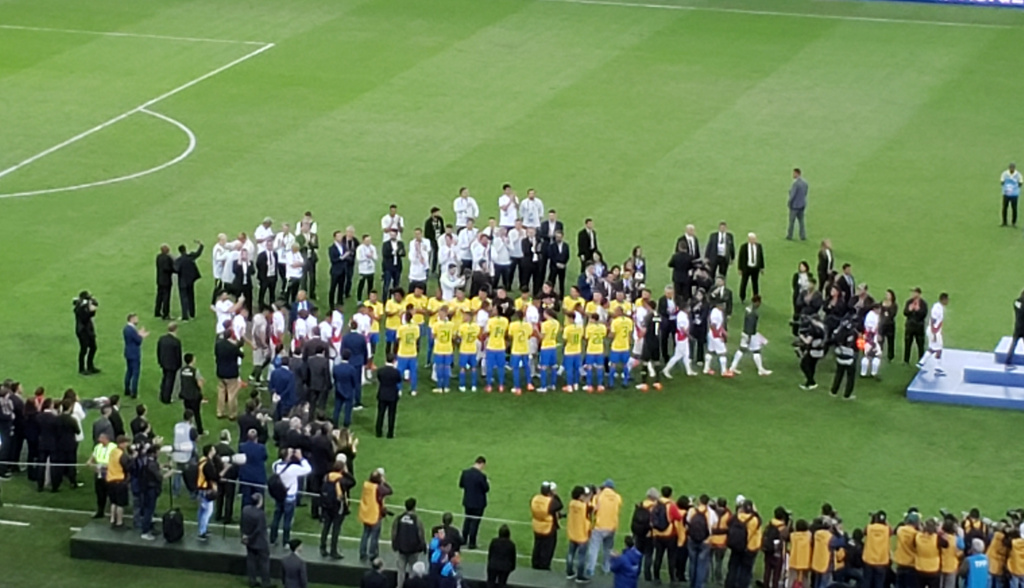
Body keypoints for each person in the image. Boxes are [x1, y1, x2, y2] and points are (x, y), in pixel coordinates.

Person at [269, 447, 313, 547]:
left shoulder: (275, 465)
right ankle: (285, 541)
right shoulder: (293, 468)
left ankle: (272, 539)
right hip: (289, 497)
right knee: (287, 521)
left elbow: (281, 461)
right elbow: (308, 469)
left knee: (276, 517)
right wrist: (301, 458)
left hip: (279, 495)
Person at [320, 455, 355, 559]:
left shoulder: (326, 477)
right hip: (338, 507)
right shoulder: (342, 480)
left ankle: (322, 547)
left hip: (326, 505)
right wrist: (346, 472)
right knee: (336, 529)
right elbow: (353, 482)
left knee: (326, 527)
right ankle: (333, 551)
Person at [587, 479, 623, 577]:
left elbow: (593, 508)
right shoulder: (617, 497)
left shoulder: (598, 496)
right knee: (608, 549)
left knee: (594, 549)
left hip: (599, 526)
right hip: (612, 527)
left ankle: (590, 569)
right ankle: (606, 568)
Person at [729, 296, 771, 376]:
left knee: (741, 350)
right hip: (751, 334)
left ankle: (733, 367)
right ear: (757, 302)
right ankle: (760, 370)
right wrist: (749, 337)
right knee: (756, 351)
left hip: (746, 332)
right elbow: (750, 325)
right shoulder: (753, 313)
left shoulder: (748, 309)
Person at [358, 467, 394, 562]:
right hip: (375, 514)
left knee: (365, 534)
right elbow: (389, 491)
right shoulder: (378, 488)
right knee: (374, 536)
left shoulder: (366, 485)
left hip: (366, 513)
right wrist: (384, 482)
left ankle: (362, 553)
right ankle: (372, 554)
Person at [393, 497, 428, 588]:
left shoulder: (399, 518)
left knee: (401, 571)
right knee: (413, 571)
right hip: (413, 549)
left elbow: (394, 532)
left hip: (401, 549)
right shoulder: (416, 519)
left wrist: (395, 544)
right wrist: (423, 545)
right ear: (414, 507)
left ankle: (400, 586)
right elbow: (421, 534)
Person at [241, 492, 272, 588]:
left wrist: (244, 536)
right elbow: (259, 529)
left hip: (249, 541)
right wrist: (250, 537)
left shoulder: (245, 510)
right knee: (264, 562)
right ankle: (265, 583)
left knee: (251, 560)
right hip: (260, 542)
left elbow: (242, 524)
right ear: (259, 502)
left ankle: (252, 580)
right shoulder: (260, 514)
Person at [531, 481, 563, 570]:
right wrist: (555, 494)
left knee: (537, 546)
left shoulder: (535, 499)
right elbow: (560, 505)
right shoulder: (550, 502)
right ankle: (544, 565)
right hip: (548, 528)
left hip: (537, 526)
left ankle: (535, 563)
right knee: (547, 549)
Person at [459, 456, 489, 550]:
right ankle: (472, 543)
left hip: (467, 501)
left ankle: (463, 539)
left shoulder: (465, 473)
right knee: (475, 523)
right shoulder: (481, 476)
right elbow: (486, 489)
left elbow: (461, 485)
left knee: (467, 520)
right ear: (482, 464)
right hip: (478, 503)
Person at [215, 330, 244, 420]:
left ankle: (220, 412)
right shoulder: (233, 347)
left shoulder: (218, 344)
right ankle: (232, 414)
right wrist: (238, 346)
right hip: (231, 373)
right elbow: (241, 355)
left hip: (220, 371)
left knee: (221, 392)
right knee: (232, 394)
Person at [917, 293, 949, 376]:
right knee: (939, 348)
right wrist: (934, 334)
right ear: (943, 299)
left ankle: (921, 363)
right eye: (947, 300)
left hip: (935, 330)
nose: (948, 301)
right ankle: (937, 367)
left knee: (932, 348)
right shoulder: (937, 308)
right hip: (934, 331)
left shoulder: (939, 307)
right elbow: (933, 321)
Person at [175, 240, 204, 321]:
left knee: (184, 298)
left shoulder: (179, 260)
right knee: (191, 297)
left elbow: (176, 270)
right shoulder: (190, 257)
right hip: (190, 281)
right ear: (185, 250)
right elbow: (198, 253)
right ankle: (192, 313)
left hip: (182, 282)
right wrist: (201, 245)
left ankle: (185, 316)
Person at [239, 427, 268, 507]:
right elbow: (265, 457)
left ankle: (245, 515)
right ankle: (258, 516)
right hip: (258, 476)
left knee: (246, 498)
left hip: (246, 476)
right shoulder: (261, 448)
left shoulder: (242, 447)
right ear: (257, 438)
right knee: (260, 498)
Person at [831, 317, 859, 400]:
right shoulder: (852, 332)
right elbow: (855, 345)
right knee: (850, 376)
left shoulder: (838, 331)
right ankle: (847, 395)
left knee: (839, 374)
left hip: (840, 354)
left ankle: (834, 391)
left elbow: (833, 340)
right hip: (849, 356)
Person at [121, 314, 148, 399]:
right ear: (131, 319)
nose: (137, 320)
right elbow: (138, 341)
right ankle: (134, 393)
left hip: (128, 352)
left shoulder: (126, 328)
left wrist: (138, 334)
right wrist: (141, 335)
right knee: (135, 373)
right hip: (134, 354)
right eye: (136, 318)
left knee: (129, 371)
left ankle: (127, 390)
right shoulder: (132, 330)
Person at [376, 355, 402, 439]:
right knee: (392, 414)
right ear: (394, 361)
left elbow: (379, 379)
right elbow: (398, 380)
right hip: (392, 395)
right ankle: (390, 433)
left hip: (382, 394)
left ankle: (378, 432)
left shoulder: (380, 371)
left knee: (380, 414)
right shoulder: (396, 372)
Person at [74, 291, 100, 375]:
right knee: (84, 349)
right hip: (82, 331)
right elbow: (84, 317)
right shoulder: (79, 307)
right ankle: (81, 368)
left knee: (93, 347)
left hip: (89, 329)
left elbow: (92, 313)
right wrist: (90, 310)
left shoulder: (84, 305)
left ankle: (90, 366)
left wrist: (92, 309)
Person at [157, 322, 183, 404]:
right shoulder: (176, 341)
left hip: (163, 362)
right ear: (176, 329)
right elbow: (178, 354)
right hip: (172, 364)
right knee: (169, 381)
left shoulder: (162, 339)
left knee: (165, 379)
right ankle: (166, 398)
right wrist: (179, 364)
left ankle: (162, 395)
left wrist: (160, 361)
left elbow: (158, 351)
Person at [737, 233, 765, 303]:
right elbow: (740, 258)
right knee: (744, 283)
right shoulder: (744, 247)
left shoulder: (759, 246)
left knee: (755, 284)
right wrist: (740, 268)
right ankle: (742, 297)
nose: (753, 241)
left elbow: (761, 257)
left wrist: (762, 267)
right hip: (746, 268)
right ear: (749, 239)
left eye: (754, 239)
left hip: (755, 268)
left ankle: (755, 298)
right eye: (752, 239)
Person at [904, 288, 928, 364]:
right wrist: (909, 310)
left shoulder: (923, 304)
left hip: (919, 327)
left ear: (919, 294)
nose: (913, 294)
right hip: (910, 327)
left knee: (920, 345)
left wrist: (918, 310)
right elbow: (905, 312)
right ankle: (906, 360)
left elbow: (924, 314)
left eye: (915, 293)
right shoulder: (909, 302)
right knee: (908, 344)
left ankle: (921, 360)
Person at [787, 168, 808, 240]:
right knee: (801, 222)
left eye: (794, 173)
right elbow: (805, 193)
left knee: (791, 222)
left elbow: (792, 195)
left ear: (797, 173)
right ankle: (803, 236)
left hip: (795, 206)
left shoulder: (795, 184)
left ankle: (790, 236)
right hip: (802, 205)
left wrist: (789, 203)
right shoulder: (805, 183)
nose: (793, 175)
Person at [155, 244, 175, 319]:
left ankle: (157, 311)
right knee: (166, 297)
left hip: (159, 279)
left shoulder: (158, 257)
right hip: (166, 281)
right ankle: (166, 313)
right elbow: (168, 268)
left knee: (159, 296)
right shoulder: (168, 258)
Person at [1005, 289, 1024, 368]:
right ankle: (1008, 361)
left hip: (1017, 327)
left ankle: (1008, 361)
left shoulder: (1016, 303)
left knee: (1013, 344)